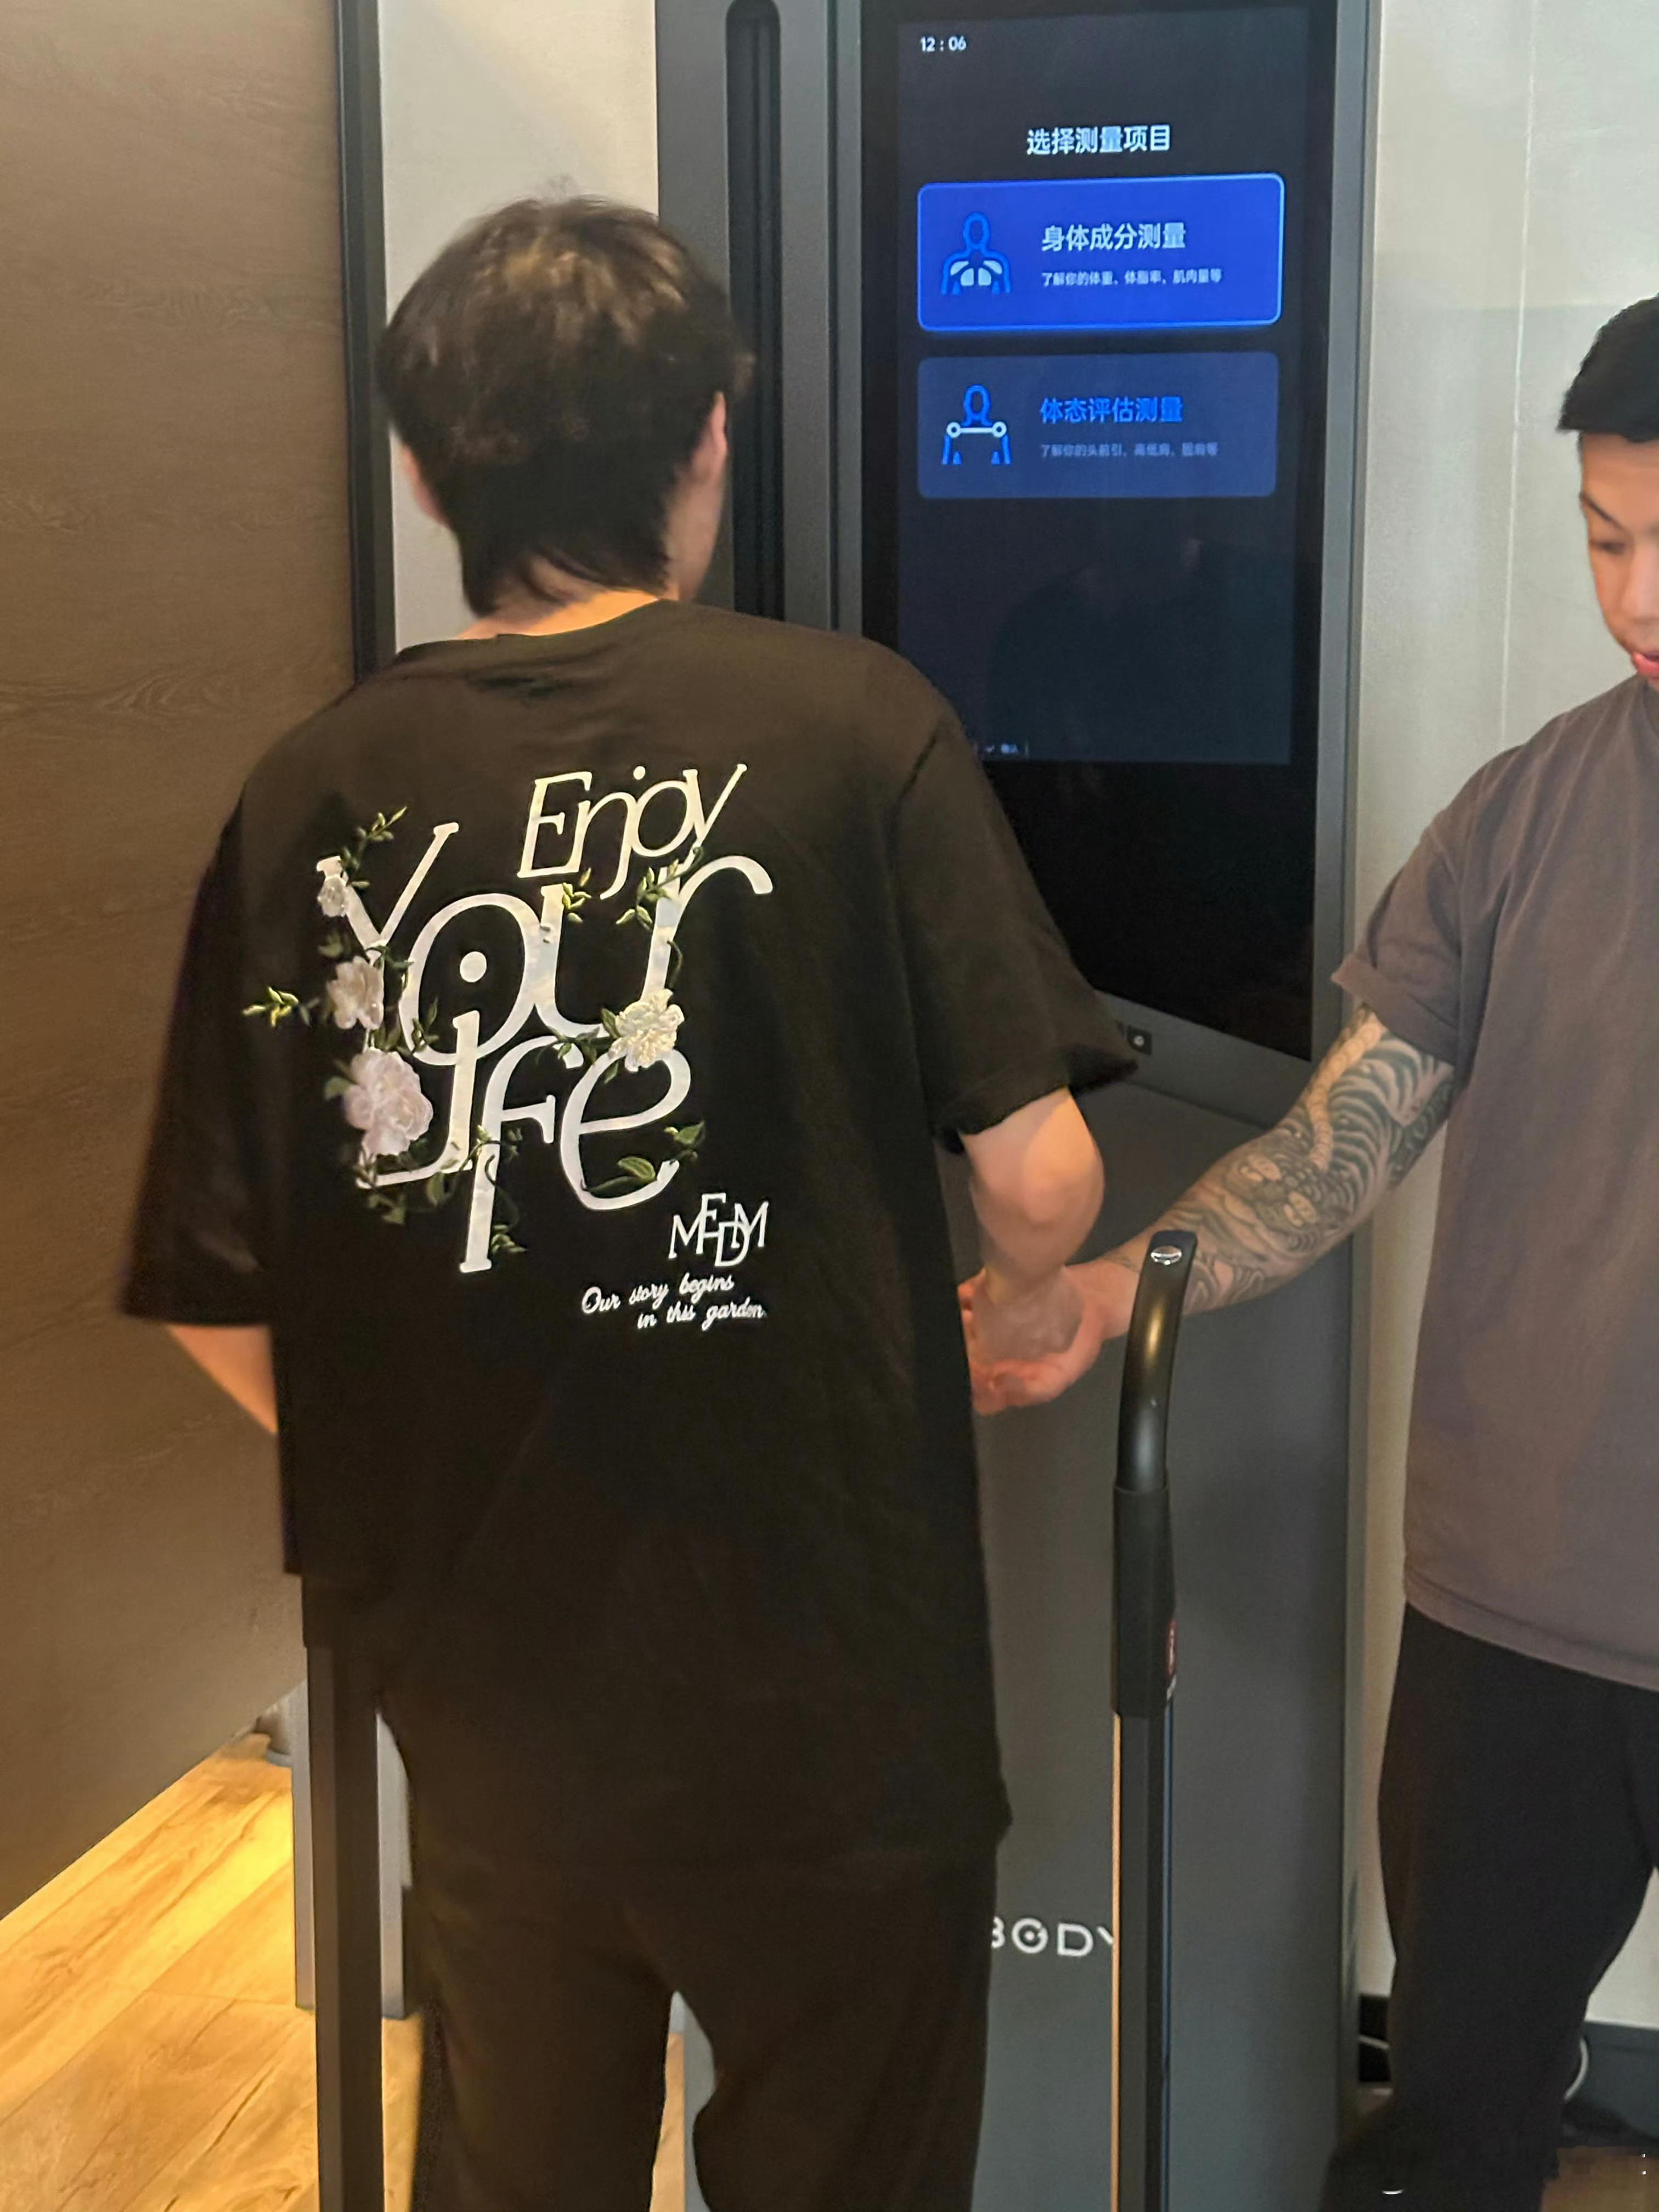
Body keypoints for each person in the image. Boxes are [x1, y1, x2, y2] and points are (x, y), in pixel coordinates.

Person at [121, 199, 1133, 2212]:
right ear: (707, 445)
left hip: (497, 1701)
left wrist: (413, 1459)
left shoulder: (315, 788)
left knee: (518, 2166)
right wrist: (1039, 1297)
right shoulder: (859, 726)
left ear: (427, 476)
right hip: (838, 1688)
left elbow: (212, 1285)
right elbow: (1039, 1177)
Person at [967, 293, 1659, 2212]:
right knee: (1455, 2117)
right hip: (1515, 1616)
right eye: (1606, 538)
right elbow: (1345, 1136)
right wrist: (1114, 1289)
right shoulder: (1526, 812)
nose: (1636, 599)